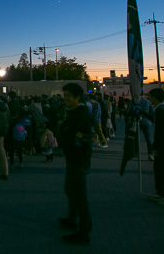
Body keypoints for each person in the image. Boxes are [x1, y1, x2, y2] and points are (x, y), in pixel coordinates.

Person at [58, 83, 92, 245]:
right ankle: (72, 218)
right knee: (70, 189)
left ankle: (84, 231)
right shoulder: (73, 113)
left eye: (68, 96)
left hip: (79, 159)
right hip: (72, 157)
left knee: (79, 195)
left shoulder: (81, 114)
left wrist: (70, 132)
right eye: (64, 96)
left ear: (77, 97)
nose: (65, 99)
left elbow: (74, 133)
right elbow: (67, 131)